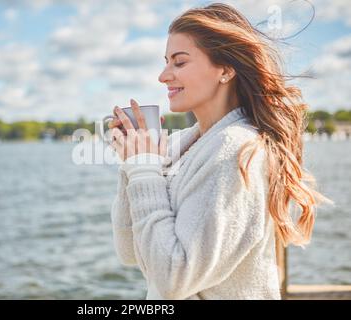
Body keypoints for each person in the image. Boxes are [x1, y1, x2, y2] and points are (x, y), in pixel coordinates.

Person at [107, 3, 328, 300]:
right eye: (166, 61)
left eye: (179, 62)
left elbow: (173, 278)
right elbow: (131, 251)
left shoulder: (236, 149)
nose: (163, 75)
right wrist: (132, 164)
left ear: (224, 70)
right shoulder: (184, 144)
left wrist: (144, 168)